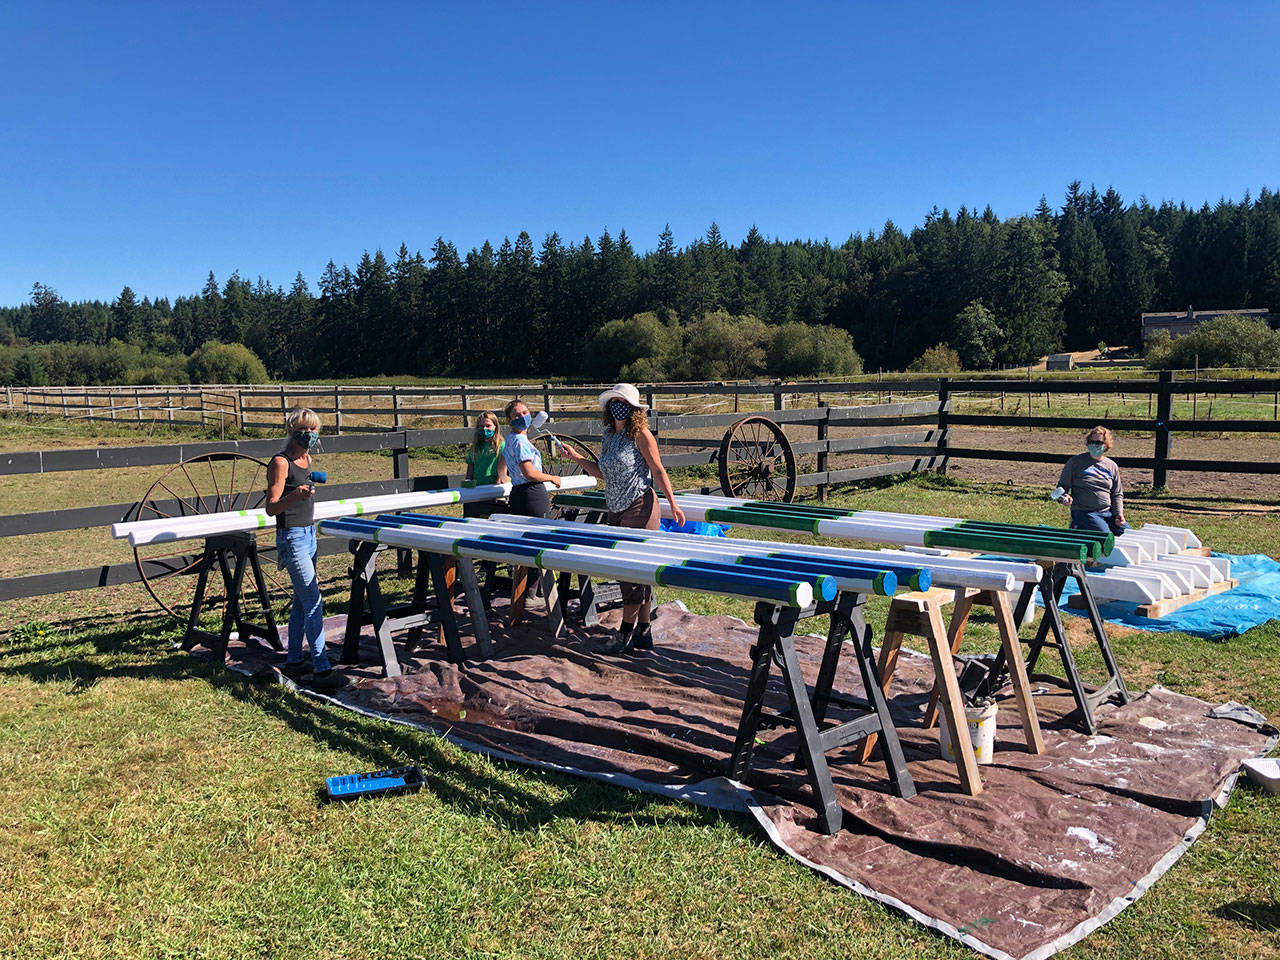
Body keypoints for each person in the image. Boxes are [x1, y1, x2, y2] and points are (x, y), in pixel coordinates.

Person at [561, 382, 687, 655]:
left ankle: (624, 633)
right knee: (632, 573)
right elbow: (605, 473)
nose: (618, 407)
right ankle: (643, 630)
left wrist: (673, 505)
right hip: (616, 509)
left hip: (640, 506)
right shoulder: (609, 436)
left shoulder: (640, 434)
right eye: (614, 402)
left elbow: (658, 470)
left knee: (632, 573)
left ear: (633, 409)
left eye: (624, 403)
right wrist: (577, 458)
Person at [265, 408, 346, 688]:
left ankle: (295, 661)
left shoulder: (305, 459)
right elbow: (271, 508)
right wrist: (295, 495)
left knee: (301, 601)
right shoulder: (281, 462)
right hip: (292, 536)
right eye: (305, 429)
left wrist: (307, 488)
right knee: (313, 601)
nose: (310, 435)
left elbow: (304, 485)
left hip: (309, 533)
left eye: (314, 430)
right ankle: (322, 669)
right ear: (292, 430)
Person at [1054, 425, 1129, 537]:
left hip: (1108, 512)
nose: (1094, 445)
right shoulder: (1075, 462)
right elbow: (1061, 489)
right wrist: (1064, 497)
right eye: (1091, 441)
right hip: (1084, 512)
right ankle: (1077, 525)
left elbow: (1117, 494)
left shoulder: (1112, 466)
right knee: (1106, 537)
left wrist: (1118, 514)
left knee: (1130, 535)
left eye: (1098, 442)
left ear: (1106, 445)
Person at [502, 398, 562, 517]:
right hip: (532, 493)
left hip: (517, 493)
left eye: (525, 413)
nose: (522, 417)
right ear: (509, 420)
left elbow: (502, 463)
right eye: (517, 415)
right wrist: (552, 478)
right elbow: (529, 473)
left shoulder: (510, 439)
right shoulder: (520, 441)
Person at [463, 411, 508, 519]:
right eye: (481, 426)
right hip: (477, 488)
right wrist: (468, 486)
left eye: (488, 426)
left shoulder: (501, 446)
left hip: (494, 489)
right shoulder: (475, 447)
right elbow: (471, 466)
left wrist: (498, 483)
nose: (484, 429)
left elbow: (503, 467)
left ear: (495, 427)